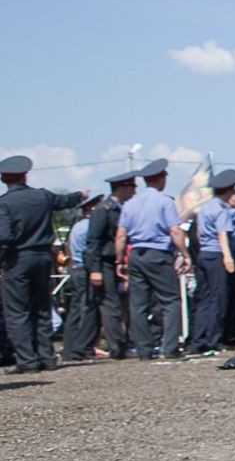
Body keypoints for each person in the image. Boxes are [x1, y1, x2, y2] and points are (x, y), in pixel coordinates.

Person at [0, 155, 86, 373]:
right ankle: (47, 356)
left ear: (3, 179)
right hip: (43, 258)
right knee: (41, 307)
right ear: (25, 175)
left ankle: (27, 360)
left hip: (17, 259)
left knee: (17, 312)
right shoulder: (42, 196)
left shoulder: (4, 204)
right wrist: (81, 195)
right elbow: (64, 201)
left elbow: (5, 237)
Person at [115, 159, 188, 361]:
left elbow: (121, 235)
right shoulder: (164, 201)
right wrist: (185, 254)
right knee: (171, 301)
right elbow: (175, 230)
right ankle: (170, 347)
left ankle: (144, 350)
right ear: (160, 179)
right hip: (158, 254)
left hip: (136, 254)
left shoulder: (130, 204)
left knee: (138, 305)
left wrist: (120, 260)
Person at [185, 169, 235, 355]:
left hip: (203, 254)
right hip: (216, 254)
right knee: (219, 299)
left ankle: (198, 339)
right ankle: (213, 339)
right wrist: (228, 257)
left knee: (204, 299)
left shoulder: (205, 207)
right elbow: (222, 234)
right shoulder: (221, 210)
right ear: (229, 190)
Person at [84, 169, 137, 359]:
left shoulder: (119, 208)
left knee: (116, 306)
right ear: (123, 187)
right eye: (132, 187)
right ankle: (117, 348)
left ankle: (120, 344)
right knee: (111, 305)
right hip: (103, 262)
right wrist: (95, 269)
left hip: (113, 262)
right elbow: (94, 242)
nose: (134, 191)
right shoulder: (103, 210)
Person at [57, 193, 103, 361]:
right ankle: (81, 348)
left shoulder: (77, 226)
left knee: (76, 310)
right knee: (88, 309)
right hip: (85, 270)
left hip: (76, 269)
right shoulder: (90, 226)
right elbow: (90, 250)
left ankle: (70, 348)